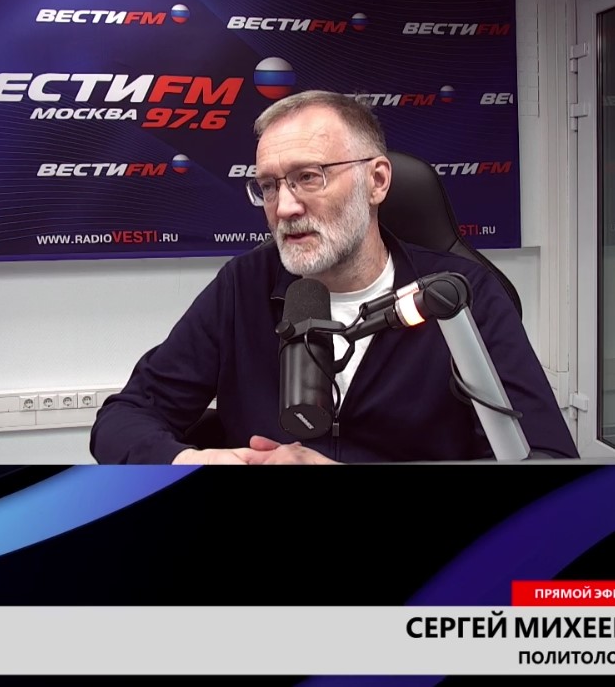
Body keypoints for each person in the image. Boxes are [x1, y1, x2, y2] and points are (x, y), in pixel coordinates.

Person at [90, 90, 576, 464]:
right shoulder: (243, 285)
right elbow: (124, 417)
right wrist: (187, 460)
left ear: (377, 181)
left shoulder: (460, 294)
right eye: (268, 186)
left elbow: (545, 457)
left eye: (309, 177)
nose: (284, 207)